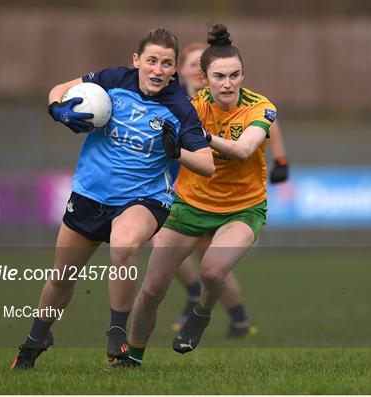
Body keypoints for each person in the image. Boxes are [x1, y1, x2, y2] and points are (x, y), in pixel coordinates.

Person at [10, 28, 214, 370]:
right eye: (151, 60)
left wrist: (176, 151)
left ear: (174, 67)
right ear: (137, 61)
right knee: (61, 277)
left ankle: (117, 334)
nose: (158, 69)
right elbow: (59, 90)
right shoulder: (114, 79)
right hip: (90, 195)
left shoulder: (180, 107)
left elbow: (206, 163)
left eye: (166, 63)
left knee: (123, 245)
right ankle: (36, 339)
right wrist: (58, 110)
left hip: (145, 199)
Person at [114, 24, 277, 368]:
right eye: (219, 76)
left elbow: (243, 150)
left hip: (242, 209)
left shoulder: (260, 107)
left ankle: (200, 314)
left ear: (243, 74)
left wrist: (199, 136)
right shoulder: (191, 105)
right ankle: (134, 357)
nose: (228, 83)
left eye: (234, 75)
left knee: (213, 272)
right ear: (204, 77)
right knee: (153, 289)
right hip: (189, 205)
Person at [171, 41, 290, 338]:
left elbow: (259, 134)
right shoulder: (178, 103)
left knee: (210, 266)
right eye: (194, 64)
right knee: (166, 254)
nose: (225, 81)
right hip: (186, 192)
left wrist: (281, 159)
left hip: (229, 198)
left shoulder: (249, 104)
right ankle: (226, 313)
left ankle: (230, 316)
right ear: (187, 71)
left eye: (232, 75)